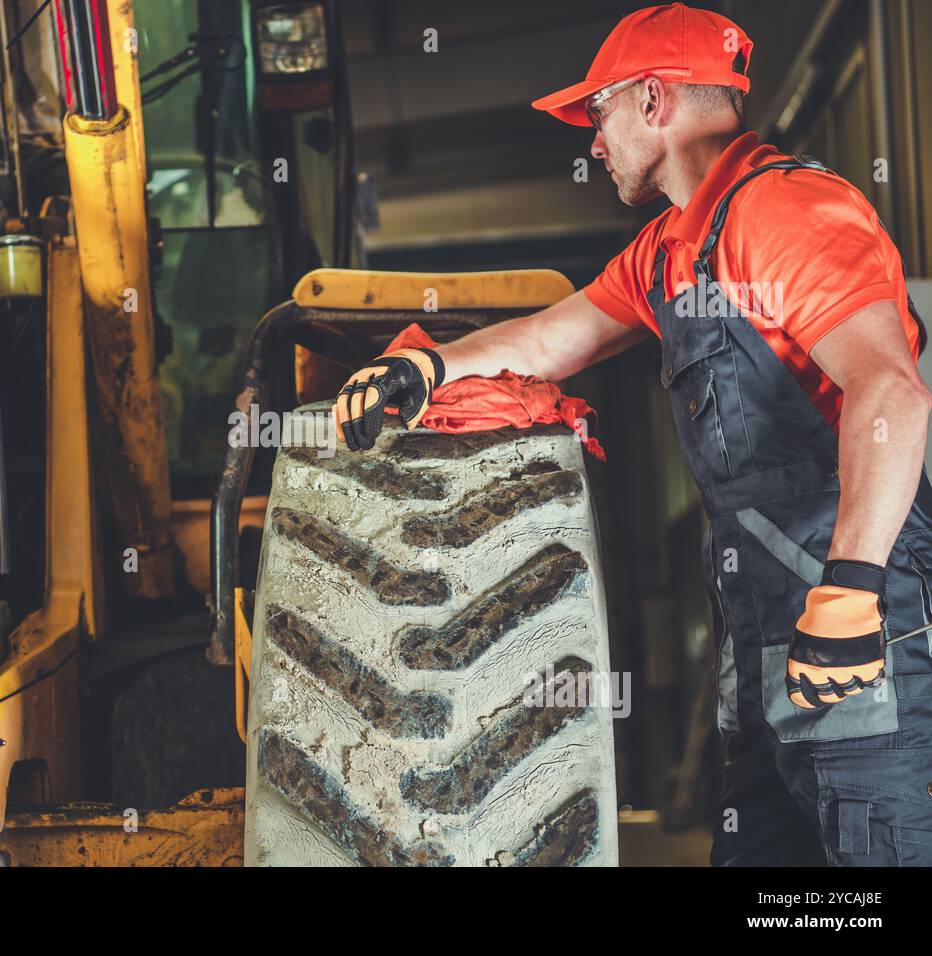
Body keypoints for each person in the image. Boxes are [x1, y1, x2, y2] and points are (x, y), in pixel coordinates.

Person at [332, 3, 932, 867]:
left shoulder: (789, 211)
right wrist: (425, 369)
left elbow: (892, 392)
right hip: (769, 649)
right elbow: (550, 338)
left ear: (653, 101)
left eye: (598, 112)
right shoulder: (667, 251)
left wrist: (850, 593)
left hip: (864, 638)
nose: (592, 141)